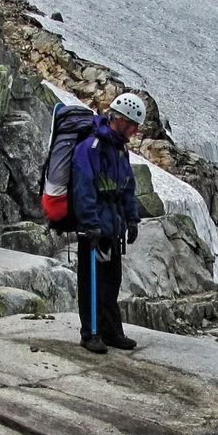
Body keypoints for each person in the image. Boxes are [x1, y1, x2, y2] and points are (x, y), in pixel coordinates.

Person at [70, 91, 146, 354]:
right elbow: (83, 187)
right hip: (93, 227)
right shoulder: (90, 147)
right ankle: (90, 333)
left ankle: (111, 331)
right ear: (121, 119)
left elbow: (127, 187)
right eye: (134, 124)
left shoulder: (118, 149)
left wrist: (132, 219)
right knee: (91, 280)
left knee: (111, 280)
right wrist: (89, 224)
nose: (136, 130)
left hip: (112, 226)